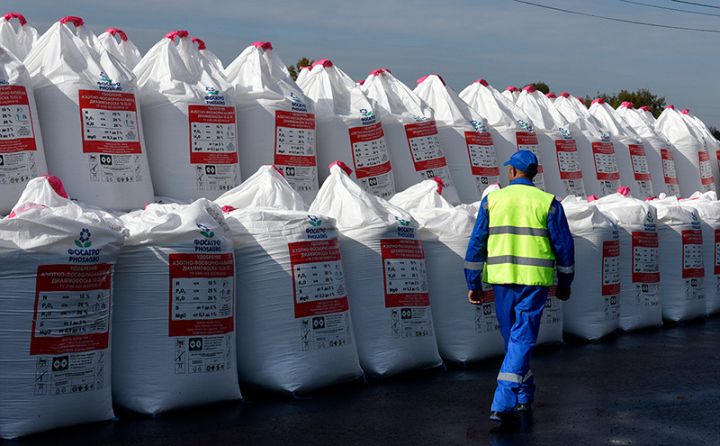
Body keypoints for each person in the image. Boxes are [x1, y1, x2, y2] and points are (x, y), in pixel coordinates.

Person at [464, 150, 575, 425]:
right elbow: (564, 248)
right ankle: (524, 393)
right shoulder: (548, 203)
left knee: (517, 340)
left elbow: (477, 242)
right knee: (518, 341)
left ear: (512, 172)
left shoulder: (492, 200)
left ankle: (502, 403)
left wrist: (473, 283)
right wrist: (565, 283)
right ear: (534, 173)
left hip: (502, 281)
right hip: (533, 281)